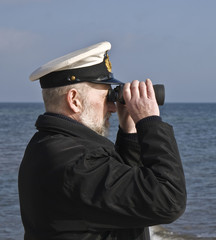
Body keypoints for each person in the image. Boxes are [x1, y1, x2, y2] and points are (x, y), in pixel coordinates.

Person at [18, 41, 187, 240]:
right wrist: (149, 122)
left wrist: (130, 132)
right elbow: (168, 200)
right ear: (74, 100)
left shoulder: (52, 146)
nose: (113, 107)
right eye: (106, 96)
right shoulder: (77, 163)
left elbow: (124, 194)